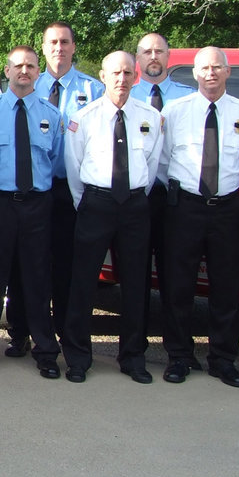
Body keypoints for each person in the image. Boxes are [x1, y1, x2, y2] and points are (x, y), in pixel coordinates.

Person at [61, 50, 162, 384]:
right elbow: (74, 165)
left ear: (136, 76)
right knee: (83, 283)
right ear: (103, 76)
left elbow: (152, 164)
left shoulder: (150, 117)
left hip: (134, 206)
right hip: (96, 203)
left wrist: (134, 197)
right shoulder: (84, 117)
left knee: (135, 284)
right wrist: (87, 202)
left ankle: (133, 357)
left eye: (128, 73)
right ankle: (78, 357)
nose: (122, 79)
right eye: (115, 73)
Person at [0, 46, 64, 379]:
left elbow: (56, 161)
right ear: (6, 71)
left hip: (37, 205)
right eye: (18, 65)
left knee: (37, 279)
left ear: (38, 72)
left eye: (31, 66)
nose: (24, 70)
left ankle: (45, 352)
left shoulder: (52, 115)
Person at [158, 47, 239, 387]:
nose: (210, 73)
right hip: (185, 206)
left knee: (226, 287)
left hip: (226, 208)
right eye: (204, 68)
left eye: (217, 67)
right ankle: (179, 356)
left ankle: (223, 360)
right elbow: (162, 160)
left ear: (228, 72)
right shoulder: (175, 111)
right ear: (195, 73)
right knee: (178, 286)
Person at [9, 22, 104, 356]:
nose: (59, 48)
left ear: (73, 47)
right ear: (44, 47)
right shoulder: (27, 84)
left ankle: (65, 333)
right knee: (24, 265)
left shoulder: (93, 89)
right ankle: (19, 332)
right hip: (32, 190)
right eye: (52, 42)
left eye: (65, 42)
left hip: (69, 190)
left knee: (66, 265)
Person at [129, 32, 195, 335]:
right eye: (146, 52)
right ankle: (136, 343)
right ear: (138, 58)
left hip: (174, 195)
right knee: (136, 271)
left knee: (175, 272)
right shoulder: (125, 94)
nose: (153, 57)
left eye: (159, 51)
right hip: (137, 195)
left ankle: (177, 345)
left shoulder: (188, 97)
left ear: (169, 56)